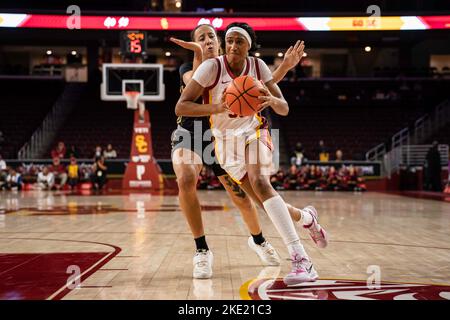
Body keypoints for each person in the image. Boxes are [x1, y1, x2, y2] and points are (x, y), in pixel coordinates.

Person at [176, 22, 328, 285]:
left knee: (260, 182)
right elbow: (181, 106)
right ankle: (307, 218)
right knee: (262, 202)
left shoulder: (257, 66)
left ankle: (301, 260)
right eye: (230, 41)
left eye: (240, 41)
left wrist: (272, 99)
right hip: (222, 143)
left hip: (254, 131)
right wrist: (219, 108)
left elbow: (283, 108)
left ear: (249, 46)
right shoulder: (210, 67)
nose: (234, 46)